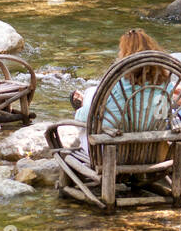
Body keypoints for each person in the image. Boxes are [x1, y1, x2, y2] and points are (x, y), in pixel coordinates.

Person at [70, 28, 173, 159]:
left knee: (89, 110)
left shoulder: (116, 84)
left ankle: (85, 101)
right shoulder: (166, 85)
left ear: (125, 55)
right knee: (93, 94)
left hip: (113, 155)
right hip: (149, 154)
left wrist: (79, 113)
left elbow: (85, 119)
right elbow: (164, 117)